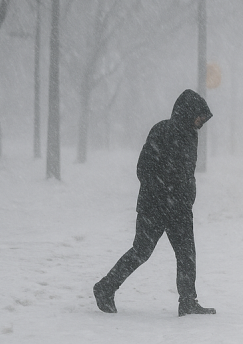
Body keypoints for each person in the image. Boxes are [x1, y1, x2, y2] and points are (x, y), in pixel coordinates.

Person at [93, 89, 216, 316]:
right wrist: (163, 193)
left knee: (187, 254)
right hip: (155, 207)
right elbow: (144, 169)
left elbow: (186, 172)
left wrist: (188, 194)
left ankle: (188, 301)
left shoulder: (191, 135)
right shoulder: (161, 131)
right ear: (188, 112)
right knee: (142, 251)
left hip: (179, 208)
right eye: (199, 116)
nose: (201, 122)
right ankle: (105, 287)